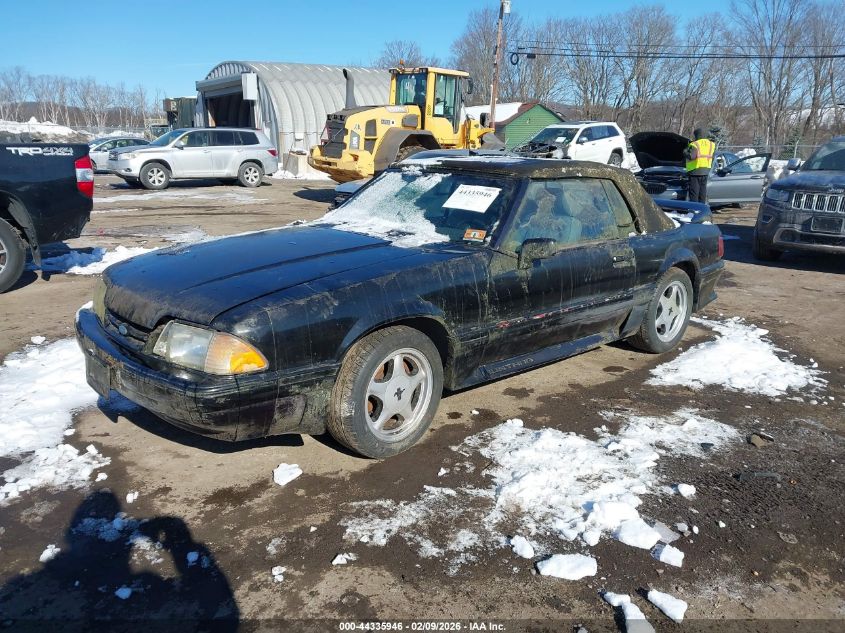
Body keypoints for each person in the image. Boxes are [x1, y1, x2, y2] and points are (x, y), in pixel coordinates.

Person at [684, 127, 716, 204]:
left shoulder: (695, 144)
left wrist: (685, 152)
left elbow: (692, 156)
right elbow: (712, 157)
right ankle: (701, 207)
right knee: (702, 191)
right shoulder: (711, 144)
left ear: (697, 135)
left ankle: (694, 208)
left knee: (694, 192)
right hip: (705, 171)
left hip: (695, 171)